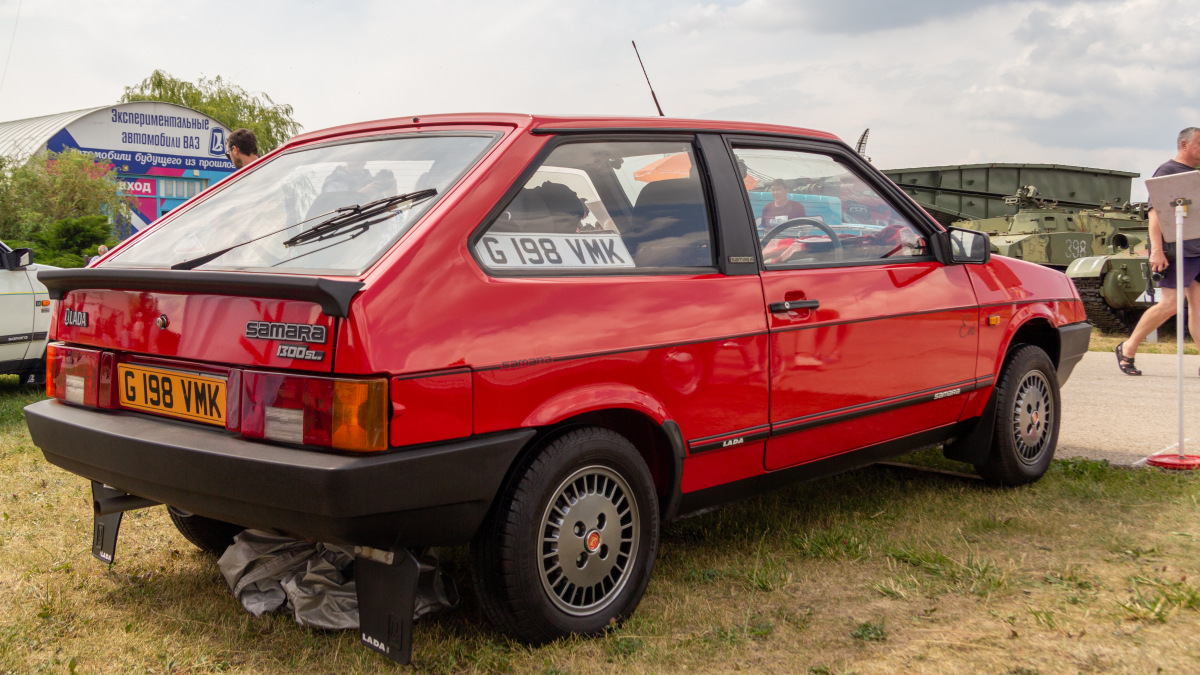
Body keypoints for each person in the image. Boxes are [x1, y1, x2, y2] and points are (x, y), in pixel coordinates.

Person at [1116, 126, 1200, 375]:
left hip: (1197, 248)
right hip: (1178, 250)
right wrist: (1157, 251)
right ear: (1184, 145)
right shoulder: (1168, 172)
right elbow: (1155, 216)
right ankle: (1128, 348)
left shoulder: (1195, 174)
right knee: (1171, 304)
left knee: (1198, 306)